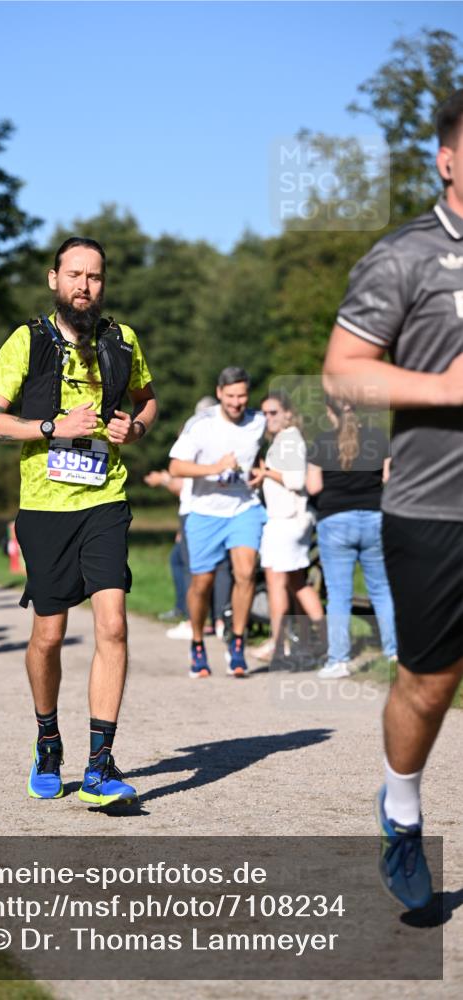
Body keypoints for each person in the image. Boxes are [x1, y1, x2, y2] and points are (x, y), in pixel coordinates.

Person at [321, 89, 463, 910]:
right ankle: (401, 814)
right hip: (434, 506)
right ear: (446, 159)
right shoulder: (404, 256)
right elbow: (341, 371)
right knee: (429, 680)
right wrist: (441, 391)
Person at [0, 236, 157, 806]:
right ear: (53, 279)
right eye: (75, 274)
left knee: (113, 625)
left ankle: (100, 765)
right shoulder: (27, 341)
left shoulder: (122, 339)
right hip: (45, 506)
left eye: (95, 276)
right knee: (49, 635)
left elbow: (148, 399)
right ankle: (47, 740)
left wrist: (139, 427)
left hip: (105, 498)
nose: (85, 285)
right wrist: (53, 428)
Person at [169, 367, 266, 678]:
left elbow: (261, 453)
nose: (237, 402)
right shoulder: (201, 424)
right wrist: (215, 467)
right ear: (220, 393)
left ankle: (237, 642)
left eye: (242, 395)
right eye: (231, 396)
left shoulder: (257, 422)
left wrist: (262, 471)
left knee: (246, 571)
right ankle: (197, 642)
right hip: (205, 511)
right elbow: (175, 466)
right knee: (202, 583)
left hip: (244, 507)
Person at [306, 397, 395, 676]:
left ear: (328, 410)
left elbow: (313, 486)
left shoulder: (320, 442)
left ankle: (339, 661)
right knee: (381, 590)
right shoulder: (378, 438)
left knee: (339, 594)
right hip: (374, 517)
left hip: (335, 521)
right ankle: (395, 654)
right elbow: (389, 480)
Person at [250, 392, 325, 664]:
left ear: (288, 413)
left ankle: (278, 643)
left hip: (286, 521)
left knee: (276, 583)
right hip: (290, 519)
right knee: (297, 582)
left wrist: (266, 472)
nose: (268, 419)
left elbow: (295, 480)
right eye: (265, 414)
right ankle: (323, 639)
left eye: (273, 413)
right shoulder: (284, 440)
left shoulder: (290, 440)